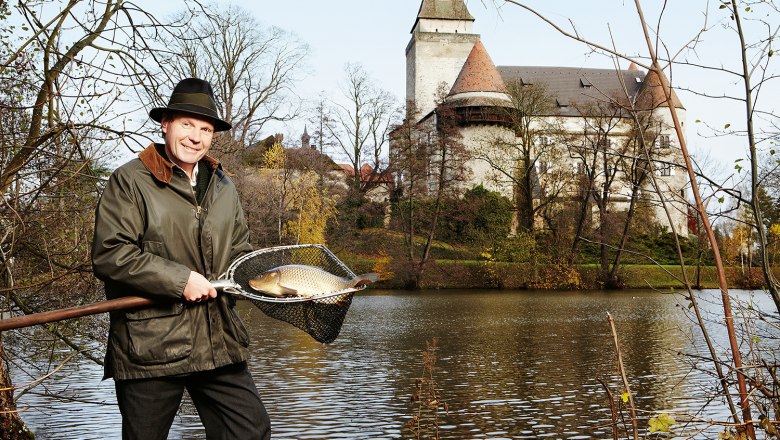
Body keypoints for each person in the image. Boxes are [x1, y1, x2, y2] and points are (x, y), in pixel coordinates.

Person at [92, 78, 271, 440]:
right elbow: (111, 253)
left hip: (218, 339)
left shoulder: (224, 185)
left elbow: (240, 252)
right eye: (187, 124)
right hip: (151, 347)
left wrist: (263, 281)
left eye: (205, 128)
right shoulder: (130, 180)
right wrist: (180, 280)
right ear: (166, 124)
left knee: (250, 432)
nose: (195, 136)